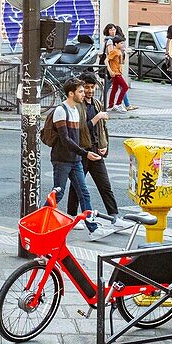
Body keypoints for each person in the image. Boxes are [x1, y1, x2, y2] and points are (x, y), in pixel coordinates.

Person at [64, 73, 118, 218]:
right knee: (77, 187)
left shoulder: (96, 103)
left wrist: (104, 145)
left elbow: (102, 129)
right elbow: (81, 129)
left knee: (105, 186)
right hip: (81, 151)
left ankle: (114, 215)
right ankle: (72, 215)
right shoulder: (77, 107)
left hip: (95, 150)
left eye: (92, 87)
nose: (90, 90)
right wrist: (97, 117)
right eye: (86, 87)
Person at [50, 78, 99, 233]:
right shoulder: (61, 110)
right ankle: (42, 221)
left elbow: (78, 136)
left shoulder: (76, 110)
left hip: (75, 160)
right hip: (62, 160)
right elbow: (65, 139)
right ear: (71, 94)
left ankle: (93, 228)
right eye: (80, 91)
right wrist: (85, 153)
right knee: (58, 194)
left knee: (84, 193)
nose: (84, 94)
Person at [106, 36, 131, 113]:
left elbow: (121, 63)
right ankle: (118, 104)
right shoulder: (114, 51)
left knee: (115, 89)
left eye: (122, 43)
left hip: (118, 72)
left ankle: (111, 105)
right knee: (125, 87)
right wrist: (110, 71)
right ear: (116, 44)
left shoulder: (119, 51)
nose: (122, 44)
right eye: (121, 43)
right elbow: (106, 60)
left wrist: (125, 53)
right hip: (115, 73)